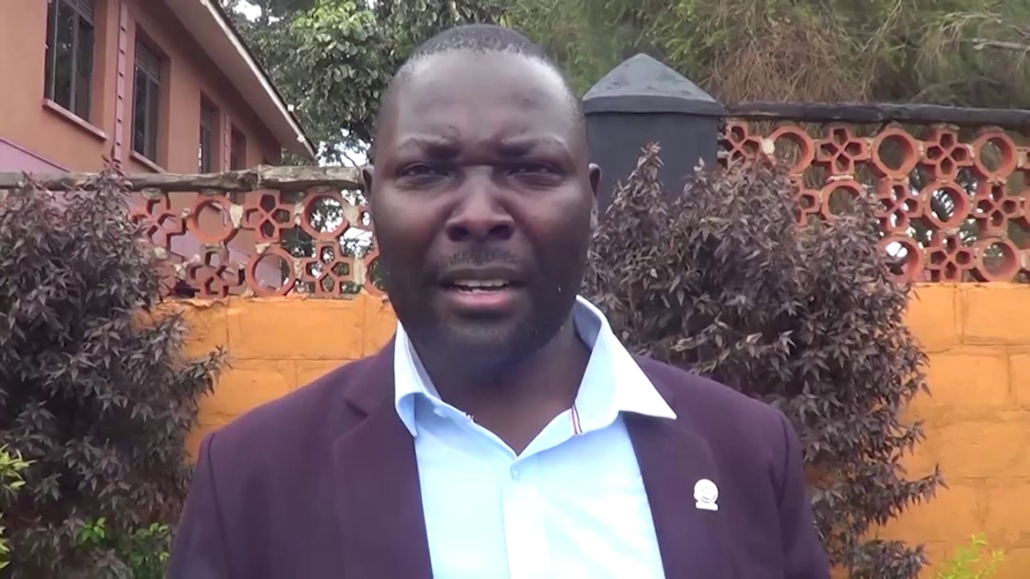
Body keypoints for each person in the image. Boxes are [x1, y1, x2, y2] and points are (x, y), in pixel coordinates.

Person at [169, 24, 831, 579]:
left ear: (590, 201)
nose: (480, 215)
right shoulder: (252, 482)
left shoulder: (748, 454)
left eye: (531, 170)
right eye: (426, 171)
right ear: (371, 203)